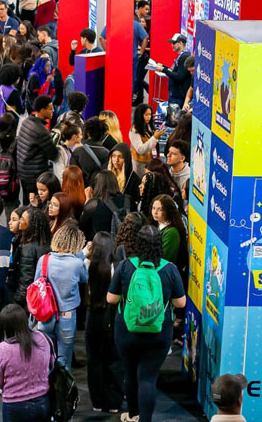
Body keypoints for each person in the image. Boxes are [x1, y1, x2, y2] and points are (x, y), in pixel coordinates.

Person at [108, 225, 187, 422]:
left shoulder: (125, 266)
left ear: (137, 243)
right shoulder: (170, 269)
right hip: (159, 332)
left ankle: (133, 414)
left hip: (127, 331)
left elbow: (111, 299)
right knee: (148, 378)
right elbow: (180, 302)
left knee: (131, 373)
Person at [34, 222, 87, 371]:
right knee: (64, 359)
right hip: (67, 315)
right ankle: (63, 391)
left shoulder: (43, 260)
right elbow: (85, 278)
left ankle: (45, 388)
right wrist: (81, 255)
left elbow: (36, 284)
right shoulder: (76, 263)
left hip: (45, 314)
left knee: (45, 355)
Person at [0, 304, 53, 422]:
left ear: (5, 326)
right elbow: (51, 364)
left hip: (14, 406)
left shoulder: (2, 349)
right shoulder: (43, 338)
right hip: (42, 401)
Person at [85, 231, 125, 414]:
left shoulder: (87, 264)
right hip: (112, 316)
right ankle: (114, 402)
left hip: (92, 315)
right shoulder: (117, 267)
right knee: (113, 359)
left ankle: (97, 401)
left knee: (94, 360)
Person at [17, 95, 57, 203]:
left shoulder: (26, 122)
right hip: (34, 176)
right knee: (34, 206)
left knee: (26, 203)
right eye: (50, 108)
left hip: (23, 173)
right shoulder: (41, 131)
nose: (53, 110)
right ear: (42, 110)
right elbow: (53, 154)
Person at [11, 207, 52, 307]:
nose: (20, 221)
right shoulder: (47, 244)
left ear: (31, 224)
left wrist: (17, 299)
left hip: (29, 300)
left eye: (23, 219)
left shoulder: (28, 248)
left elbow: (26, 278)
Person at [130, 103, 161, 176]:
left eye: (150, 115)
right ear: (140, 115)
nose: (148, 117)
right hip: (139, 164)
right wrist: (154, 138)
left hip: (151, 162)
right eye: (146, 115)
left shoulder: (149, 127)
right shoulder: (134, 131)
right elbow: (140, 149)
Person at [163, 34, 192, 108]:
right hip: (175, 95)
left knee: (175, 118)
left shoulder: (184, 57)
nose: (172, 45)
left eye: (174, 43)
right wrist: (163, 67)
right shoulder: (182, 56)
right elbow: (175, 72)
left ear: (180, 43)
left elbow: (179, 76)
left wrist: (164, 70)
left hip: (178, 97)